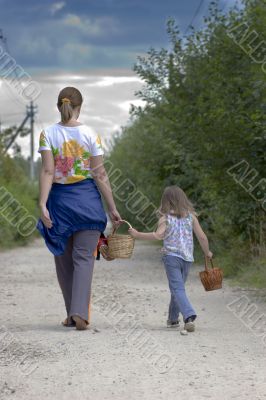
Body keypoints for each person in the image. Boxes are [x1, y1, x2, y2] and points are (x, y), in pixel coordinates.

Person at [37, 86, 121, 330]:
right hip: (88, 203)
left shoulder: (47, 134)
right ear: (79, 107)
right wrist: (112, 207)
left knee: (64, 260)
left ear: (59, 107)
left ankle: (71, 313)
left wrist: (42, 203)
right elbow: (100, 174)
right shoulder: (90, 134)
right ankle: (79, 313)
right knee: (84, 259)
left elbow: (48, 171)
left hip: (60, 205)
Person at [128, 186, 213, 332]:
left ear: (165, 201)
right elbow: (202, 237)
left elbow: (158, 236)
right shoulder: (191, 217)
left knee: (177, 288)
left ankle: (189, 316)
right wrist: (207, 252)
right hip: (187, 258)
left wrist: (137, 234)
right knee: (178, 288)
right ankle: (173, 319)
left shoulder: (165, 219)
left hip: (172, 258)